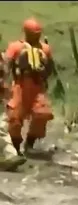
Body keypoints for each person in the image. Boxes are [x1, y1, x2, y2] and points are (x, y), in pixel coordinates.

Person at [4, 18, 54, 157]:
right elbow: (7, 63)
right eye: (33, 34)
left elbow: (50, 66)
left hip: (38, 86)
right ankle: (15, 146)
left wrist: (45, 75)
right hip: (20, 85)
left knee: (42, 114)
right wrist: (6, 83)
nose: (36, 36)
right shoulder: (15, 47)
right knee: (15, 117)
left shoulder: (45, 48)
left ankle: (30, 143)